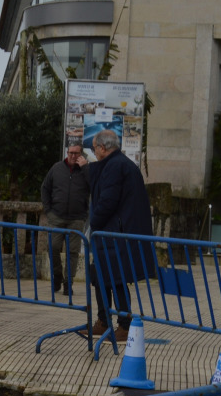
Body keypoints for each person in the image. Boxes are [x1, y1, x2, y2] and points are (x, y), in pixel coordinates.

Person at [83, 129, 155, 342]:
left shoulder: (115, 166)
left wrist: (94, 223)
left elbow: (108, 201)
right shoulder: (121, 164)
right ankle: (103, 320)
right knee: (102, 276)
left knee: (116, 279)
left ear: (102, 148)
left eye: (94, 149)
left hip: (114, 233)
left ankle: (124, 324)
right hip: (114, 232)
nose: (94, 153)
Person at [40, 142, 91, 297]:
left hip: (77, 218)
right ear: (67, 153)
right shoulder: (57, 168)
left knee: (72, 252)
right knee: (53, 247)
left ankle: (68, 283)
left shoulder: (86, 170)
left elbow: (95, 186)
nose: (73, 156)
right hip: (56, 216)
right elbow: (45, 188)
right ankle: (57, 275)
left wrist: (85, 168)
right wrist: (48, 210)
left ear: (81, 155)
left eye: (76, 153)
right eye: (70, 153)